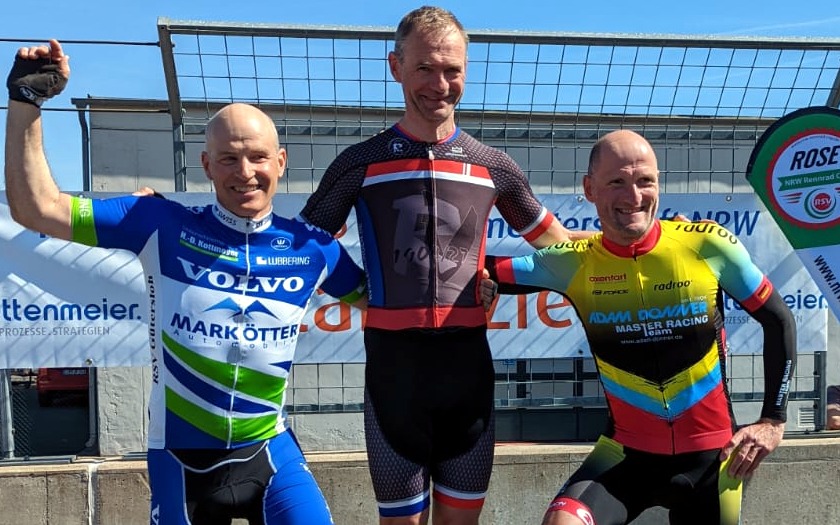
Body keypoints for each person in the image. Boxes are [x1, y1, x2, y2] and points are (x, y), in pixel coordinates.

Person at [5, 40, 368, 525]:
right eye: (228, 159)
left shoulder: (313, 248)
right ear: (205, 165)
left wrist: (474, 283)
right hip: (180, 459)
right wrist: (27, 102)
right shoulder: (160, 223)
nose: (245, 173)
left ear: (280, 161)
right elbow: (38, 209)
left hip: (268, 449)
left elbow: (384, 302)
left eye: (258, 158)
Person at [297, 6, 589, 525]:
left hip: (466, 375)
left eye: (452, 70)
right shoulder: (360, 162)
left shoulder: (492, 164)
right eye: (425, 68)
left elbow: (560, 250)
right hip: (394, 377)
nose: (440, 84)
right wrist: (356, 292)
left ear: (467, 72)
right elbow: (300, 246)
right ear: (396, 67)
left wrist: (497, 276)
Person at [483, 129, 797, 525]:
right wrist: (482, 284)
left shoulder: (706, 245)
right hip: (625, 457)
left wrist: (773, 420)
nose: (633, 197)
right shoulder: (573, 262)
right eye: (617, 182)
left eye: (644, 181)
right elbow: (477, 270)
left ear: (658, 184)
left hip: (713, 461)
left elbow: (778, 318)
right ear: (589, 188)